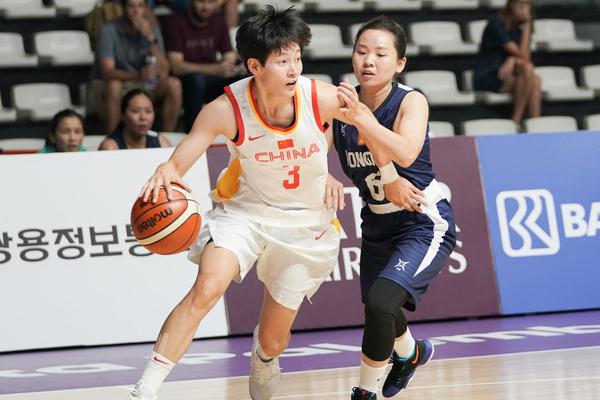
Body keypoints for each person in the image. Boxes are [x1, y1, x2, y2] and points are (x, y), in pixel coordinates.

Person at [127, 6, 354, 400]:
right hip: (245, 214)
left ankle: (263, 357)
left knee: (273, 340)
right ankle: (144, 390)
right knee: (207, 288)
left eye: (297, 58)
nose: (294, 69)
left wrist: (334, 171)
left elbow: (365, 125)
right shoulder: (225, 110)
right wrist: (167, 169)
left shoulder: (320, 96)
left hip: (305, 224)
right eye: (282, 61)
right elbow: (182, 159)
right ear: (254, 65)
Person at [332, 16, 457, 399]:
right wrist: (322, 176)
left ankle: (364, 393)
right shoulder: (340, 104)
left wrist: (363, 120)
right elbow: (311, 144)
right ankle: (411, 354)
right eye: (361, 51)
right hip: (375, 222)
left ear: (399, 63)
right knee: (379, 307)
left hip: (421, 220)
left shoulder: (410, 101)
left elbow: (405, 152)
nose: (368, 61)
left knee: (381, 302)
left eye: (380, 54)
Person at [93, 0, 182, 133]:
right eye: (131, 6)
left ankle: (167, 137)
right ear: (123, 8)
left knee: (174, 84)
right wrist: (138, 74)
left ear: (146, 9)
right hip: (116, 83)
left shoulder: (152, 30)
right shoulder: (108, 30)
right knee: (114, 85)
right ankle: (113, 139)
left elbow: (164, 70)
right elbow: (107, 72)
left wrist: (150, 39)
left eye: (140, 6)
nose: (136, 11)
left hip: (145, 83)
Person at [164, 0, 246, 130]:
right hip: (186, 81)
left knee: (244, 79)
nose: (206, 7)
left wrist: (230, 65)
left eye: (210, 2)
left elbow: (228, 54)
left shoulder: (218, 21)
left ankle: (241, 131)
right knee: (196, 79)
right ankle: (193, 131)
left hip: (211, 80)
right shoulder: (175, 22)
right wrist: (215, 69)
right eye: (201, 1)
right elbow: (176, 66)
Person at [473, 0, 541, 124]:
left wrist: (527, 25)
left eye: (527, 4)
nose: (523, 8)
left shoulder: (520, 27)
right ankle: (516, 121)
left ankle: (535, 124)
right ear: (511, 4)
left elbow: (526, 58)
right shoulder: (496, 24)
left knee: (535, 79)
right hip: (488, 75)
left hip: (508, 75)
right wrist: (515, 58)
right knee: (528, 72)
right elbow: (521, 55)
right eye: (519, 3)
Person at [99, 88, 172, 150]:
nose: (143, 117)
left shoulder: (162, 144)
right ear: (122, 115)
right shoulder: (110, 147)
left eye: (148, 111)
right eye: (135, 111)